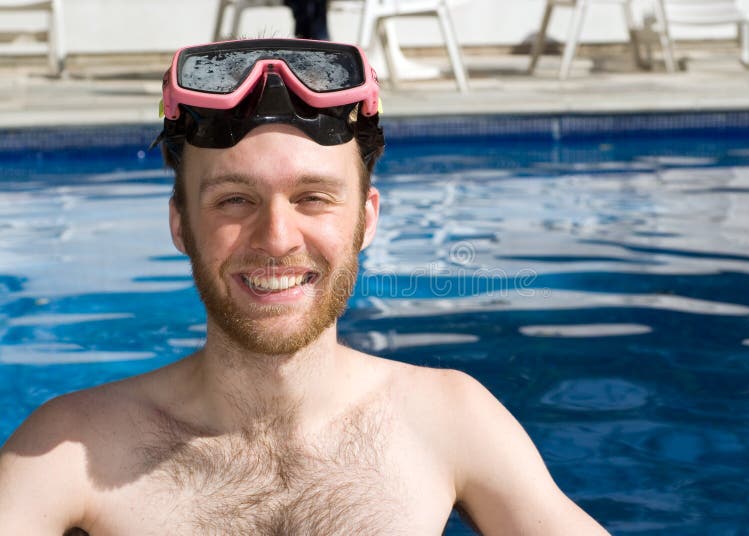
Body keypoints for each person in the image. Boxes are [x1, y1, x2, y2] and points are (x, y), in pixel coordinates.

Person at [0, 38, 609, 535]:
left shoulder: (449, 420)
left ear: (366, 220)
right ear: (181, 223)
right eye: (235, 200)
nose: (277, 237)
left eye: (313, 198)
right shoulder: (66, 452)